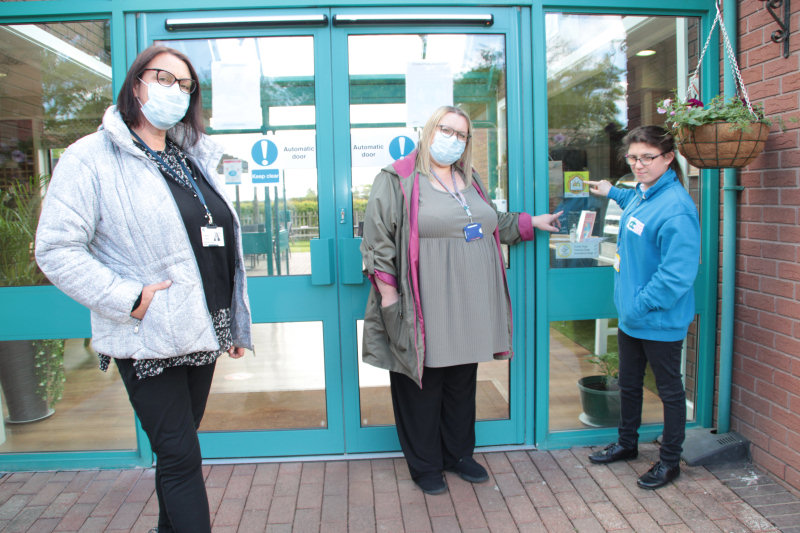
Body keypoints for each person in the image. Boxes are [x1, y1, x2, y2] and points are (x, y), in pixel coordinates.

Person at [35, 46, 252, 532]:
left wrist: (232, 321)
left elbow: (215, 244)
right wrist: (128, 298)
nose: (175, 91)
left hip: (201, 329)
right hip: (147, 332)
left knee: (176, 454)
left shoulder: (189, 157)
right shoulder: (90, 158)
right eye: (163, 78)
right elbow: (55, 248)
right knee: (180, 454)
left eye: (185, 84)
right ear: (136, 84)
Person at [360, 105, 562, 495]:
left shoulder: (469, 179)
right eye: (445, 130)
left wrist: (529, 222)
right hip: (422, 301)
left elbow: (487, 223)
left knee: (460, 382)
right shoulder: (397, 178)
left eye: (461, 134)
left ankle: (458, 454)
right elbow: (378, 239)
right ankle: (425, 465)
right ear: (429, 129)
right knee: (421, 383)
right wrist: (389, 297)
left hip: (470, 301)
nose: (452, 139)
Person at [586, 125, 700, 490]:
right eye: (632, 157)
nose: (638, 165)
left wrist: (641, 304)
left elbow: (677, 274)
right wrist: (609, 191)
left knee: (669, 391)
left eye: (647, 158)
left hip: (658, 318)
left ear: (668, 158)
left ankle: (669, 462)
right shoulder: (644, 194)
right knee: (630, 383)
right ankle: (627, 444)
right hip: (633, 316)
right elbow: (630, 197)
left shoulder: (676, 207)